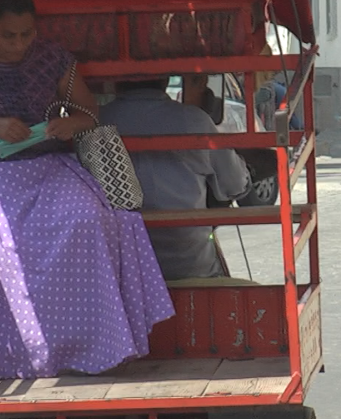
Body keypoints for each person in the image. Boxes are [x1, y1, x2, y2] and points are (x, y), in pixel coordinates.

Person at [0, 0, 174, 382]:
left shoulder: (55, 59)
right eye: (9, 36)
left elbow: (89, 114)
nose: (19, 44)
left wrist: (66, 124)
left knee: (88, 218)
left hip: (47, 167)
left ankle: (89, 345)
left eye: (27, 34)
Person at [99, 76, 252, 281]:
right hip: (190, 265)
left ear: (114, 82)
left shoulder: (96, 121)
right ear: (165, 79)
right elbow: (235, 185)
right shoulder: (194, 120)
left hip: (117, 268)